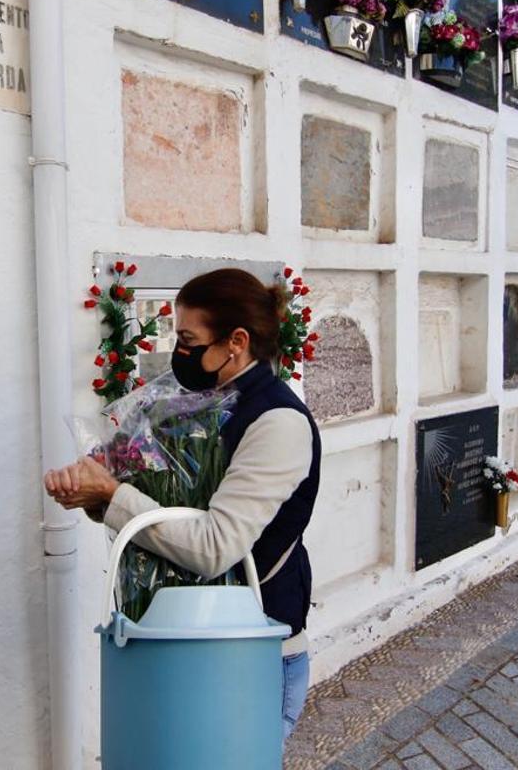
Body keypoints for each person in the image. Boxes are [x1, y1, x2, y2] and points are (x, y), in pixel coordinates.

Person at [45, 268, 322, 742]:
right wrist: (89, 489)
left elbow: (215, 547)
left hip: (248, 656)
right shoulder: (190, 404)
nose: (179, 352)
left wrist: (111, 495)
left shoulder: (277, 422)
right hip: (181, 640)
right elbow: (148, 495)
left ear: (236, 341)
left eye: (188, 339)